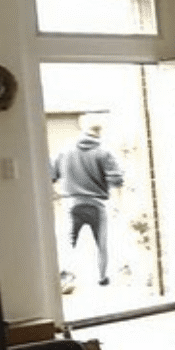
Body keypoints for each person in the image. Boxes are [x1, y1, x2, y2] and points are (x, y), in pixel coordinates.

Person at [52, 114, 124, 288]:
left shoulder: (64, 150)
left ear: (82, 127)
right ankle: (102, 277)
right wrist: (118, 205)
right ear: (100, 131)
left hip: (72, 203)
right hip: (97, 205)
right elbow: (116, 181)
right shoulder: (105, 152)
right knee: (101, 243)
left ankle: (66, 276)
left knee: (68, 242)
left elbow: (50, 176)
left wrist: (57, 195)